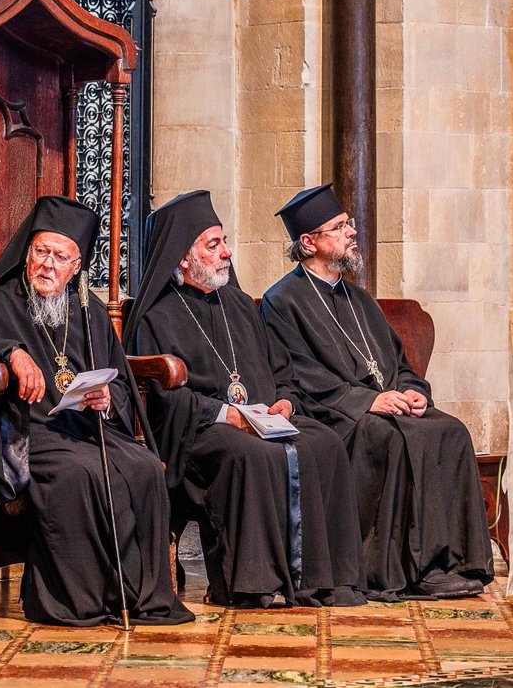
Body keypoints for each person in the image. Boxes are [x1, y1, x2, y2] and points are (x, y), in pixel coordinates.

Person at [0, 195, 193, 626]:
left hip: (87, 428)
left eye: (61, 257)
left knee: (144, 466)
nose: (48, 265)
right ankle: (77, 601)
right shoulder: (0, 304)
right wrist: (10, 351)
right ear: (27, 253)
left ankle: (136, 596)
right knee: (81, 472)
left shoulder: (86, 311)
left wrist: (107, 401)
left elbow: (119, 379)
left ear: (76, 267)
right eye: (41, 252)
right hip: (30, 434)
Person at [123, 190, 366, 608]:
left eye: (223, 242)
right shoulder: (154, 315)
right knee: (249, 454)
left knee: (322, 442)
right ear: (183, 257)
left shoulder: (238, 303)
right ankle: (254, 583)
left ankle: (324, 580)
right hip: (198, 432)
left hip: (260, 420)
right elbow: (161, 401)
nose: (227, 253)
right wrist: (224, 414)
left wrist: (285, 402)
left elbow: (280, 371)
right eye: (213, 245)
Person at [261, 183, 493, 599]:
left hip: (385, 404)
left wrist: (413, 389)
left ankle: (456, 561)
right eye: (339, 227)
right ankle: (403, 571)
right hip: (336, 417)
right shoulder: (282, 301)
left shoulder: (358, 298)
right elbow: (298, 377)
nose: (352, 231)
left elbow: (398, 362)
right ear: (309, 242)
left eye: (349, 223)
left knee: (450, 429)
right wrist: (368, 400)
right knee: (391, 435)